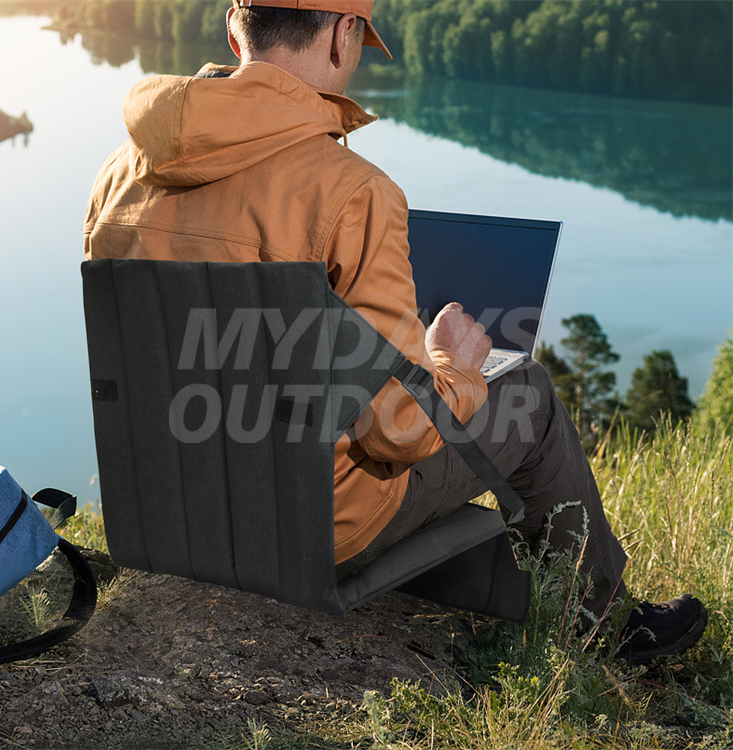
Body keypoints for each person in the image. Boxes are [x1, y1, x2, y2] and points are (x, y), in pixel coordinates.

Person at [83, 0, 707, 663]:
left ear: (237, 30)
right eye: (356, 39)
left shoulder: (118, 175)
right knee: (527, 396)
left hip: (169, 510)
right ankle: (603, 626)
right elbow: (401, 429)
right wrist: (455, 367)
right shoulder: (353, 192)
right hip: (309, 527)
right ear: (341, 36)